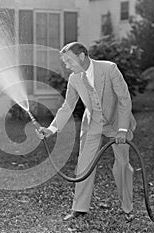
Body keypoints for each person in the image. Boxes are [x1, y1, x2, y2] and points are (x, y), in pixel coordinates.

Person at [38, 42, 136, 221]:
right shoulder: (75, 79)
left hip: (116, 123)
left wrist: (122, 129)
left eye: (69, 60)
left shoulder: (109, 69)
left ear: (82, 56)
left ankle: (127, 207)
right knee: (84, 165)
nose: (66, 65)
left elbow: (124, 98)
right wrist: (51, 129)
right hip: (93, 124)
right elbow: (67, 106)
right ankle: (79, 208)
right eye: (65, 62)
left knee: (122, 164)